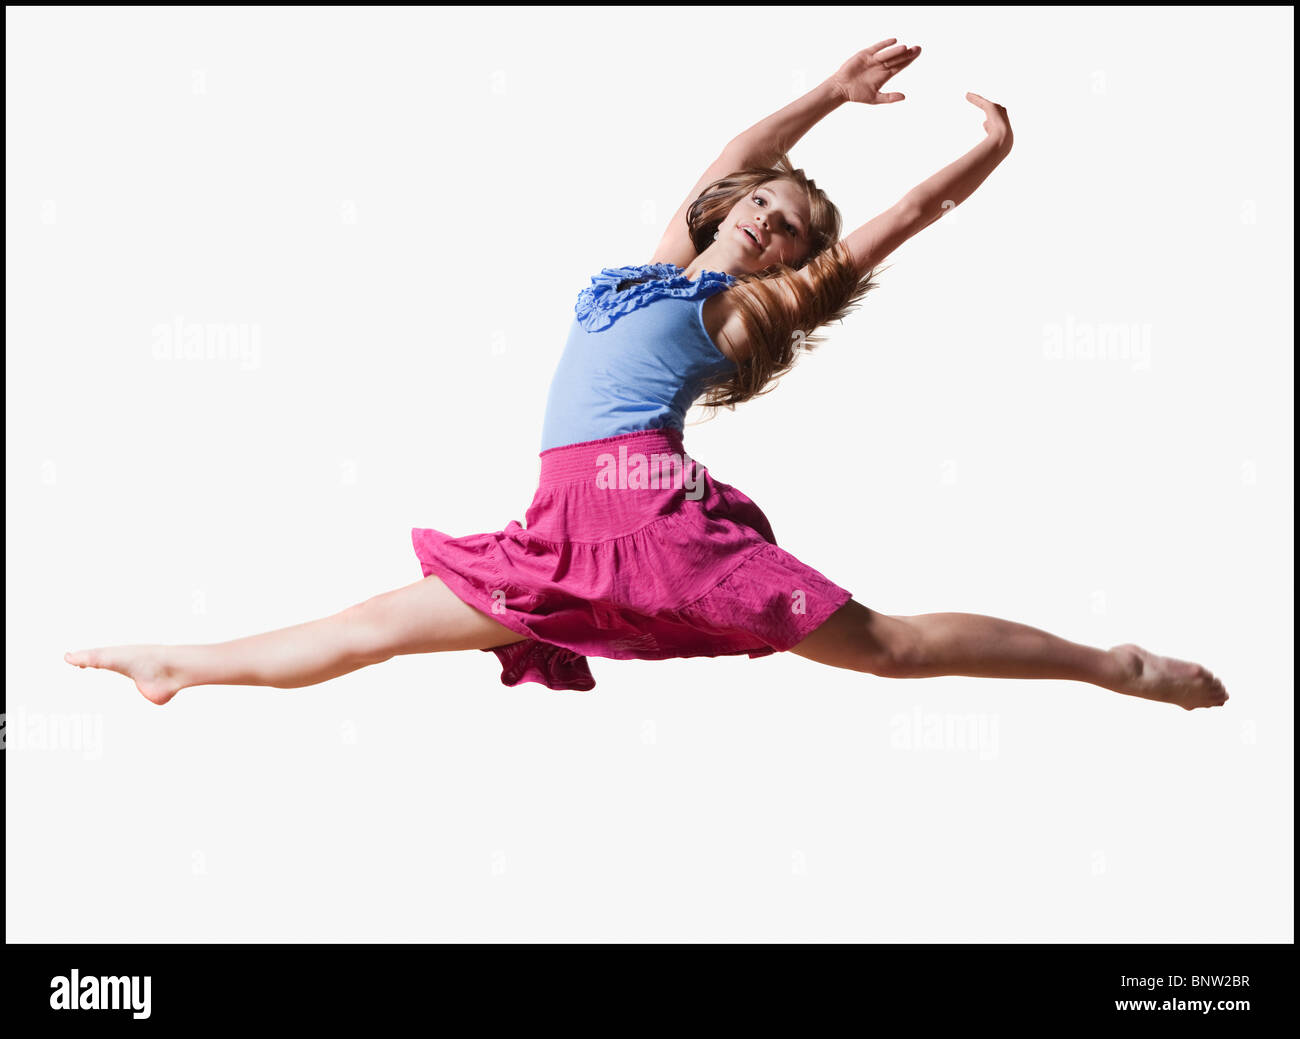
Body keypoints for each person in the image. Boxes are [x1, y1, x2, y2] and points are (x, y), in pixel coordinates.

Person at [65, 40, 1228, 712]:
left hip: (649, 516)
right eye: (768, 204)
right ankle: (177, 665)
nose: (772, 221)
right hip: (560, 521)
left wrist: (985, 149)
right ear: (734, 207)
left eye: (791, 227)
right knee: (374, 624)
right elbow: (734, 156)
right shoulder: (655, 269)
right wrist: (829, 90)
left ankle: (1114, 666)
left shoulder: (738, 311)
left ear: (791, 257)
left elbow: (903, 215)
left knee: (887, 650)